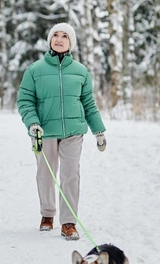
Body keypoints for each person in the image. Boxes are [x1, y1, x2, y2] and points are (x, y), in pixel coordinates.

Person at [16, 22, 106, 240]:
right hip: (44, 132)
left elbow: (89, 104)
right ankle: (47, 215)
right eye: (55, 35)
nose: (58, 39)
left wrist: (99, 131)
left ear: (71, 42)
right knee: (45, 175)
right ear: (49, 40)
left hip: (73, 131)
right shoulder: (34, 70)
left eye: (64, 36)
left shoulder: (81, 72)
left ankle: (68, 222)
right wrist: (33, 123)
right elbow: (25, 101)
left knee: (70, 175)